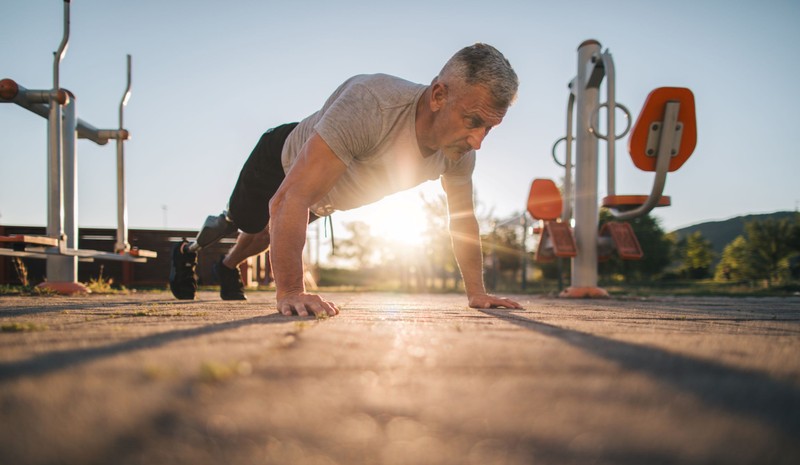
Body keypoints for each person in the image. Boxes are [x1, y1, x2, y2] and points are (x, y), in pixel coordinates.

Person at [170, 43, 524, 316]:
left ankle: (226, 267)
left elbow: (462, 221)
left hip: (324, 194)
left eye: (489, 128)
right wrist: (291, 291)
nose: (478, 141)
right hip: (280, 159)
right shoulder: (371, 103)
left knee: (265, 234)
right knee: (245, 221)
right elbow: (289, 199)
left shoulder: (460, 152)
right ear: (438, 96)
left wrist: (476, 293)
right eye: (472, 121)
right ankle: (189, 250)